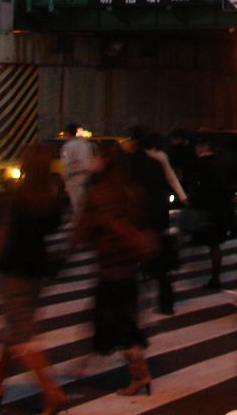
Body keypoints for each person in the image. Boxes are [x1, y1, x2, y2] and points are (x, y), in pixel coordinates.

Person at [0, 143, 66, 413]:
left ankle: (51, 392)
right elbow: (54, 226)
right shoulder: (50, 201)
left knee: (23, 336)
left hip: (11, 273)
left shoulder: (12, 199)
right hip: (36, 274)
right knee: (14, 328)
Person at [71, 140, 155, 396]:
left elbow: (83, 230)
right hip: (129, 267)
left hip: (110, 266)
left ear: (104, 161)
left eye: (96, 157)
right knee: (119, 319)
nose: (92, 162)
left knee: (119, 323)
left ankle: (139, 376)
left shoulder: (100, 192)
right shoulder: (130, 189)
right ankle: (89, 362)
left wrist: (66, 252)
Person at [126, 128, 177, 315]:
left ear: (135, 142)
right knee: (160, 263)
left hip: (138, 218)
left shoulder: (129, 163)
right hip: (157, 217)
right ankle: (166, 302)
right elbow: (164, 187)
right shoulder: (155, 164)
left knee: (131, 263)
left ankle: (131, 305)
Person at [189, 137, 234, 289]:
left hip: (205, 209)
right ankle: (216, 276)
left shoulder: (200, 165)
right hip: (220, 210)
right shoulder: (222, 163)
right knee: (215, 245)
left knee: (211, 244)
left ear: (202, 148)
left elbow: (196, 188)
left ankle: (215, 278)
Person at [59, 123, 96, 217]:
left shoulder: (68, 146)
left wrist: (64, 177)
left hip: (74, 178)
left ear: (68, 133)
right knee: (86, 204)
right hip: (87, 176)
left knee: (77, 206)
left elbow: (66, 164)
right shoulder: (85, 144)